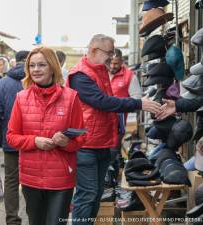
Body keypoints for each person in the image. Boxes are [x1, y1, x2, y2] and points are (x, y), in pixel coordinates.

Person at [66, 34, 161, 224]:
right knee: (87, 194)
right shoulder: (80, 75)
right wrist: (138, 103)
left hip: (101, 142)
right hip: (86, 144)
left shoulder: (99, 69)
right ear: (94, 50)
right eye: (109, 54)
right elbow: (101, 102)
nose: (112, 58)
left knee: (96, 193)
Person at [6, 46, 86, 225]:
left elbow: (80, 139)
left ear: (52, 67)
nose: (35, 70)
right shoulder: (21, 98)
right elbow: (11, 137)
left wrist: (65, 142)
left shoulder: (71, 97)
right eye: (32, 65)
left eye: (41, 65)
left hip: (61, 179)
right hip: (31, 178)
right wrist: (35, 141)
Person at [0, 50, 29, 225]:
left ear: (14, 62)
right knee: (32, 181)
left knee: (11, 180)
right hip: (35, 141)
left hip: (11, 139)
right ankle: (34, 216)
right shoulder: (37, 80)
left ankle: (12, 219)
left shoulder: (3, 83)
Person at [107, 48, 142, 193]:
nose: (113, 66)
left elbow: (136, 99)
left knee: (113, 150)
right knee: (103, 152)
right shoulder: (101, 72)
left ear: (122, 61)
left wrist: (119, 103)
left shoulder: (129, 76)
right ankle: (108, 182)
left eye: (116, 63)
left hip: (118, 120)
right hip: (99, 120)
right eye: (111, 63)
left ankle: (111, 185)